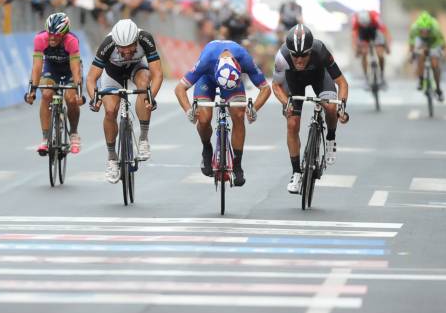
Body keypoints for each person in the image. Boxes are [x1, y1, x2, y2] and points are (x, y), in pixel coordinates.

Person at [173, 39, 272, 187]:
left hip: (233, 83)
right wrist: (188, 110)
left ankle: (237, 165)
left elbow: (266, 88)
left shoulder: (244, 59)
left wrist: (254, 109)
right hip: (207, 79)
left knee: (238, 115)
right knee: (204, 118)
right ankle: (207, 148)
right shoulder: (206, 60)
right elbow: (179, 89)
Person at [272, 25, 349, 194]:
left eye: (304, 55)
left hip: (319, 77)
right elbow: (276, 86)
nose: (299, 60)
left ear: (310, 51)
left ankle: (330, 138)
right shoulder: (282, 56)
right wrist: (286, 103)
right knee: (292, 123)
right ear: (289, 53)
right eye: (295, 56)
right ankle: (296, 173)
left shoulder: (321, 51)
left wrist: (341, 105)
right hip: (294, 82)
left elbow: (342, 82)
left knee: (330, 106)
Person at [86, 19, 163, 183]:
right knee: (110, 111)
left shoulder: (145, 38)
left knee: (144, 84)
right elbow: (91, 78)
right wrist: (95, 98)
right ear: (115, 43)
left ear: (136, 40)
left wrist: (151, 97)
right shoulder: (107, 44)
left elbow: (157, 74)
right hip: (112, 74)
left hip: (136, 69)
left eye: (130, 46)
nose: (127, 51)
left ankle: (143, 138)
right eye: (122, 47)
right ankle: (112, 158)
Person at [24, 12, 84, 155]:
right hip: (51, 68)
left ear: (64, 34)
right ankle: (45, 138)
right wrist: (32, 90)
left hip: (69, 69)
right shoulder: (40, 39)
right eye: (49, 33)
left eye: (56, 35)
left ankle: (74, 134)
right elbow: (37, 67)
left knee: (71, 98)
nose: (51, 37)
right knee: (46, 94)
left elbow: (75, 69)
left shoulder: (71, 41)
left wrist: (79, 94)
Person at [408, 11, 446, 102]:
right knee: (421, 55)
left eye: (427, 31)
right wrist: (411, 55)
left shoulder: (436, 29)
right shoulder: (414, 29)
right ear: (419, 28)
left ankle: (438, 89)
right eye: (422, 31)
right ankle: (421, 79)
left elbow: (442, 43)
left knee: (435, 63)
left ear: (430, 28)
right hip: (420, 42)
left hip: (434, 41)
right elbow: (411, 44)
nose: (424, 33)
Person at [351, 9, 392, 88]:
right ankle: (366, 78)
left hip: (375, 31)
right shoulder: (355, 20)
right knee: (364, 53)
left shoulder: (375, 17)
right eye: (363, 24)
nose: (365, 25)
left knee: (380, 54)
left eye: (367, 23)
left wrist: (387, 46)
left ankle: (382, 76)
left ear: (369, 19)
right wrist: (356, 49)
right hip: (363, 33)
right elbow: (354, 37)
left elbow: (384, 31)